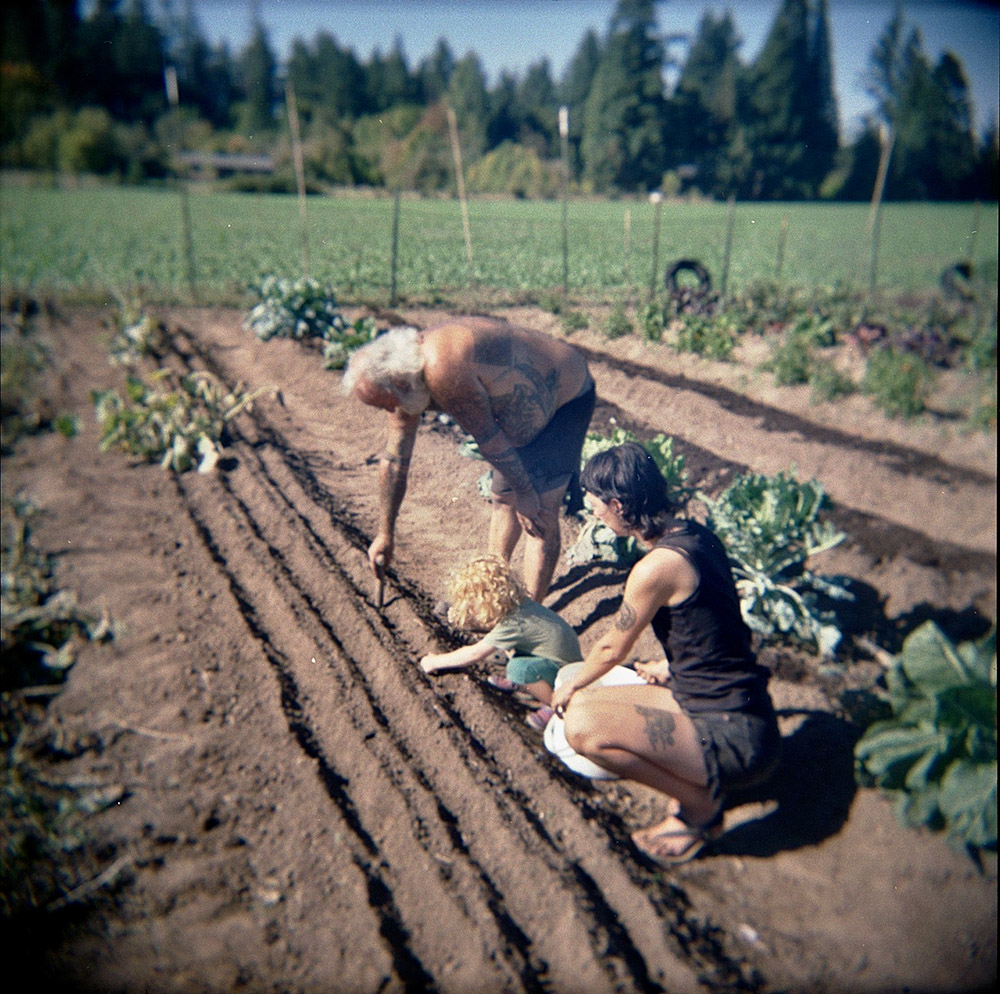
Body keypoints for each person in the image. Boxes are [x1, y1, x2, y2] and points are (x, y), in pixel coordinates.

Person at [550, 442, 781, 866]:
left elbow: (612, 647)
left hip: (733, 737)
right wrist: (670, 668)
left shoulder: (655, 567)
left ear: (618, 505)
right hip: (738, 707)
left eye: (595, 502)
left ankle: (700, 808)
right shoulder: (696, 535)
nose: (592, 510)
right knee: (576, 690)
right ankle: (697, 780)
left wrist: (570, 691)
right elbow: (719, 626)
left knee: (580, 723)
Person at [342, 317, 595, 602]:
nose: (388, 410)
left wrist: (525, 492)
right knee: (502, 499)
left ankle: (528, 624)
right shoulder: (407, 377)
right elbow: (395, 460)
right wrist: (385, 534)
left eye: (384, 403)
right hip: (516, 418)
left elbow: (490, 439)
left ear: (398, 382)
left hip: (564, 398)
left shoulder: (442, 369)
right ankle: (491, 595)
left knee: (539, 514)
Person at [419, 554, 582, 730]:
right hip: (559, 658)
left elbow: (475, 653)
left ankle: (555, 704)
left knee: (518, 669)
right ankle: (525, 683)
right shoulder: (519, 605)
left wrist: (435, 661)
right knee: (514, 652)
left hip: (563, 671)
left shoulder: (513, 623)